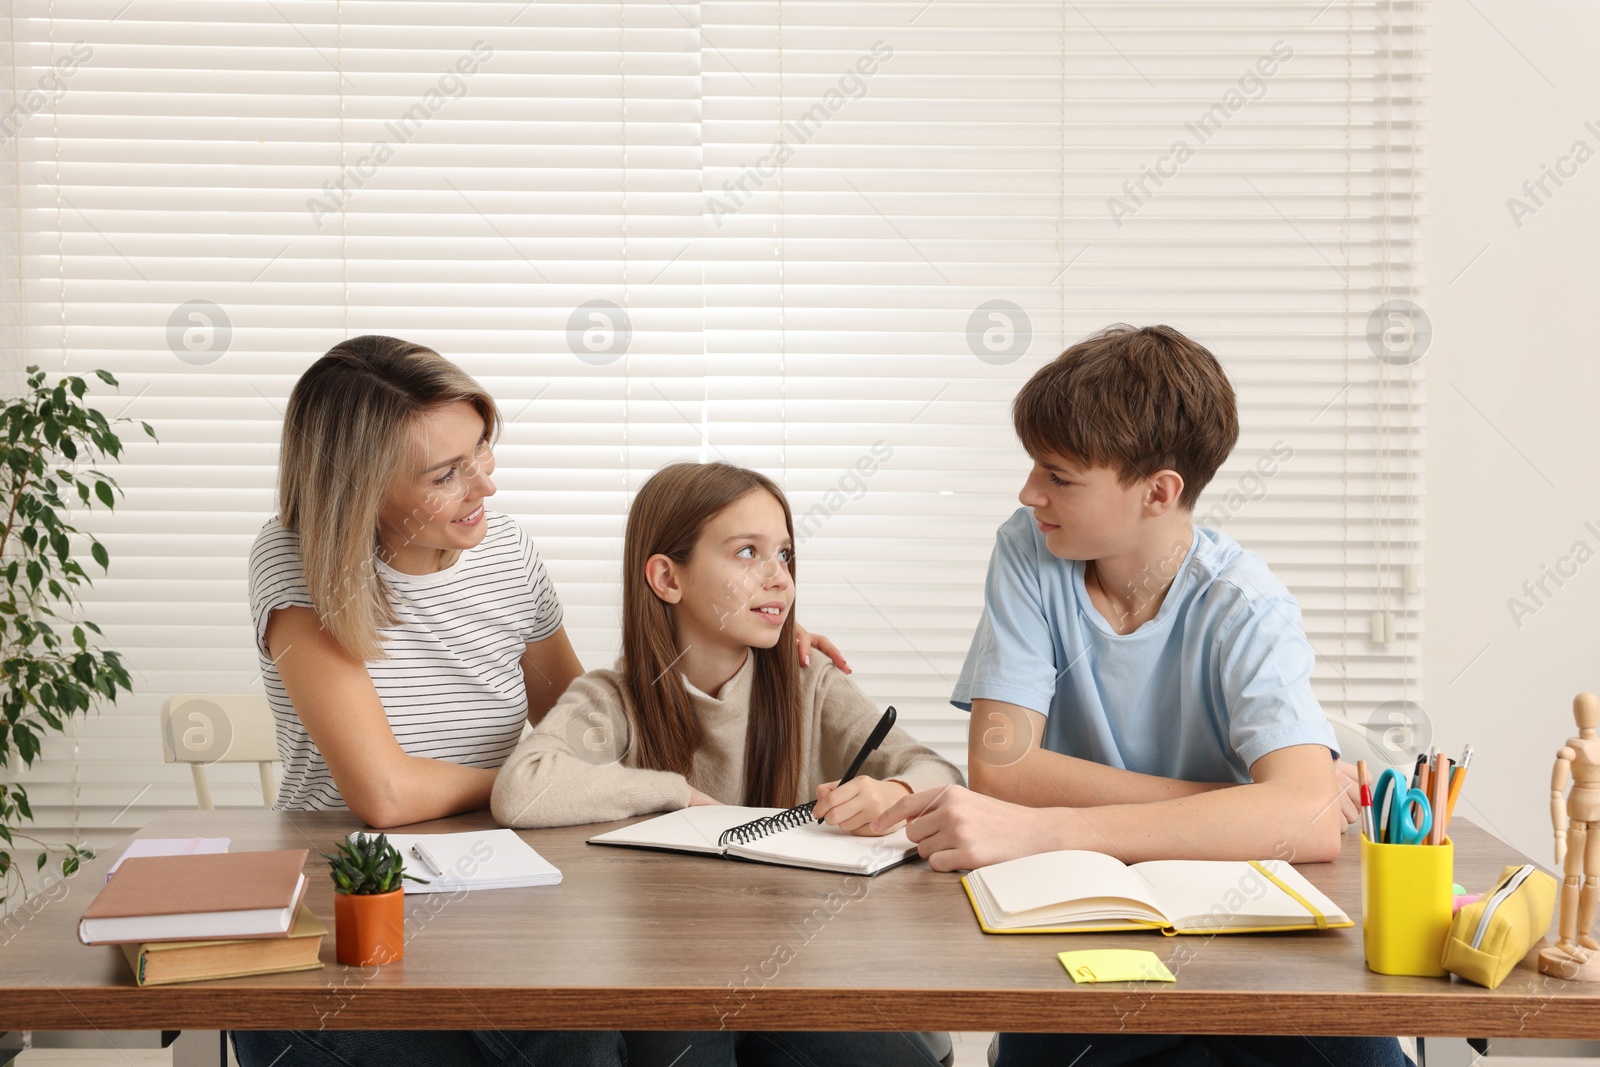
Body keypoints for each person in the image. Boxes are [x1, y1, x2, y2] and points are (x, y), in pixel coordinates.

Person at [239, 337, 844, 1067]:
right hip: (361, 887)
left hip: (509, 875)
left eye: (482, 453)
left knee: (657, 1019)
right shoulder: (295, 558)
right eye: (445, 474)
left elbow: (596, 726)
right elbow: (386, 791)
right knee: (576, 1038)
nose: (483, 487)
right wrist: (535, 785)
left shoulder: (506, 550)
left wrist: (742, 627)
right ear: (361, 488)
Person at [872, 325, 1410, 1067]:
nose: (1029, 492)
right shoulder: (1031, 549)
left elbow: (1307, 823)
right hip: (1082, 922)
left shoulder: (1245, 603)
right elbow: (1002, 769)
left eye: (1059, 476)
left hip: (1248, 933)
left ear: (1159, 491)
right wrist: (1229, 803)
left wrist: (1045, 827)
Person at [492, 460, 963, 1066]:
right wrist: (676, 795)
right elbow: (523, 788)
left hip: (797, 961)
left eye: (785, 556)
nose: (779, 579)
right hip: (663, 968)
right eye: (747, 553)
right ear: (667, 577)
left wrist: (893, 788)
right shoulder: (614, 697)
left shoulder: (807, 682)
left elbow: (939, 773)